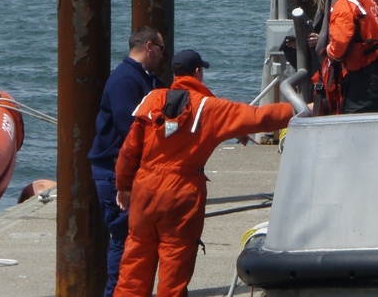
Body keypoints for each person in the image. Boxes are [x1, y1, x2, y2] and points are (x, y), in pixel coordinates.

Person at [113, 49, 293, 297]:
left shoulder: (152, 99)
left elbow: (129, 149)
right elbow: (260, 118)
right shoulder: (209, 108)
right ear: (198, 72)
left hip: (144, 190)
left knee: (133, 267)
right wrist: (299, 108)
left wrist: (123, 186)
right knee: (173, 272)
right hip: (181, 192)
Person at [89, 25, 167, 297]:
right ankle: (114, 293)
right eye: (161, 49)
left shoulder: (144, 78)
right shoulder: (125, 80)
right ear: (149, 47)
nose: (162, 56)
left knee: (135, 240)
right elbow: (130, 128)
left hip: (125, 171)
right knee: (124, 239)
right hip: (114, 173)